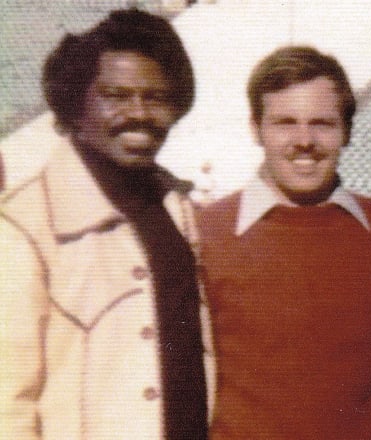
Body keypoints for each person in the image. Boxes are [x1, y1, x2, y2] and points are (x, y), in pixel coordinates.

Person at [197, 46, 371, 439]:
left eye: (322, 124)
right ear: (256, 128)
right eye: (285, 122)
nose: (305, 140)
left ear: (346, 131)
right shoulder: (206, 234)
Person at [0, 9, 215, 439]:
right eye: (115, 96)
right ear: (77, 106)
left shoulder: (179, 208)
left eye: (155, 98)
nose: (138, 113)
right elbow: (8, 401)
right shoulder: (23, 225)